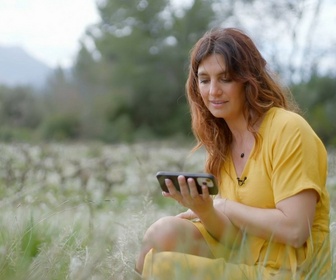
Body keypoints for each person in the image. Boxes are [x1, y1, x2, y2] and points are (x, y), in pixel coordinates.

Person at [135, 28, 331, 279]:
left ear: (248, 80)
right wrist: (206, 210)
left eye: (225, 79)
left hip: (288, 271)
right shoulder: (222, 145)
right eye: (204, 80)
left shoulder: (288, 129)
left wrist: (225, 205)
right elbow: (236, 239)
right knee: (162, 232)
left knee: (165, 269)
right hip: (247, 258)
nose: (213, 91)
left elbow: (295, 230)